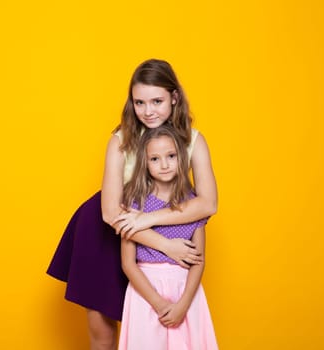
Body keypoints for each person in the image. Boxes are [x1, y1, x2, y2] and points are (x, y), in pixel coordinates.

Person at [47, 58, 217, 350]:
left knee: (153, 329)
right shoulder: (120, 140)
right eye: (139, 102)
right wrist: (166, 245)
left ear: (174, 98)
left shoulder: (194, 141)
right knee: (102, 331)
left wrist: (149, 219)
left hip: (147, 230)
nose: (148, 111)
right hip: (104, 231)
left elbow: (208, 204)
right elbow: (111, 212)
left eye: (157, 101)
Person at [119, 125, 218, 349]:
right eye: (155, 159)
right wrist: (158, 302)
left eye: (171, 156)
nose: (164, 165)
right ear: (145, 163)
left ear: (181, 157)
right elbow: (128, 263)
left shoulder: (193, 204)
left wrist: (183, 304)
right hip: (146, 293)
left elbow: (199, 261)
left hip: (186, 292)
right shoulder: (135, 204)